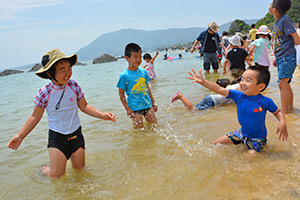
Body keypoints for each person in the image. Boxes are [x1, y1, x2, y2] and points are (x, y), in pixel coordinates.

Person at [7, 49, 116, 179]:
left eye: (69, 68)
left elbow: (84, 106)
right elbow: (35, 117)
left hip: (76, 134)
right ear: (50, 73)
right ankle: (44, 169)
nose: (67, 73)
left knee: (80, 170)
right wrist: (20, 136)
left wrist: (103, 115)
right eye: (62, 70)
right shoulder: (44, 93)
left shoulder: (74, 86)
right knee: (56, 175)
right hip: (57, 137)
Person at [188, 66, 288, 154]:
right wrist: (203, 82)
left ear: (260, 86)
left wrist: (282, 122)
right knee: (216, 143)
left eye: (248, 80)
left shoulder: (265, 101)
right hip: (241, 133)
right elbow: (220, 89)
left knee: (250, 156)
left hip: (258, 138)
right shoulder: (238, 96)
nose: (242, 83)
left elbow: (277, 112)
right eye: (242, 79)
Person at [269, 0, 300, 114]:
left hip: (287, 57)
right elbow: (280, 43)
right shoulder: (278, 22)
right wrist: (276, 57)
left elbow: (296, 38)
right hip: (282, 57)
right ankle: (290, 109)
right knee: (285, 83)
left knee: (282, 84)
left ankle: (285, 112)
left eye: (270, 4)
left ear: (274, 10)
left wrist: (298, 56)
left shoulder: (285, 20)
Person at [117, 43, 158, 128]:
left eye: (140, 56)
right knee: (138, 130)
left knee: (154, 125)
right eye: (135, 57)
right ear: (127, 58)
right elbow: (121, 94)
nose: (138, 59)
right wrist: (127, 109)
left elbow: (148, 88)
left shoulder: (143, 72)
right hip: (135, 108)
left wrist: (153, 102)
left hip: (147, 104)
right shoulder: (124, 75)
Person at [171, 78, 240, 111]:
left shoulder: (234, 86)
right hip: (212, 101)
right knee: (193, 110)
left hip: (211, 97)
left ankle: (181, 101)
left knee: (195, 107)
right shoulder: (239, 88)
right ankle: (181, 96)